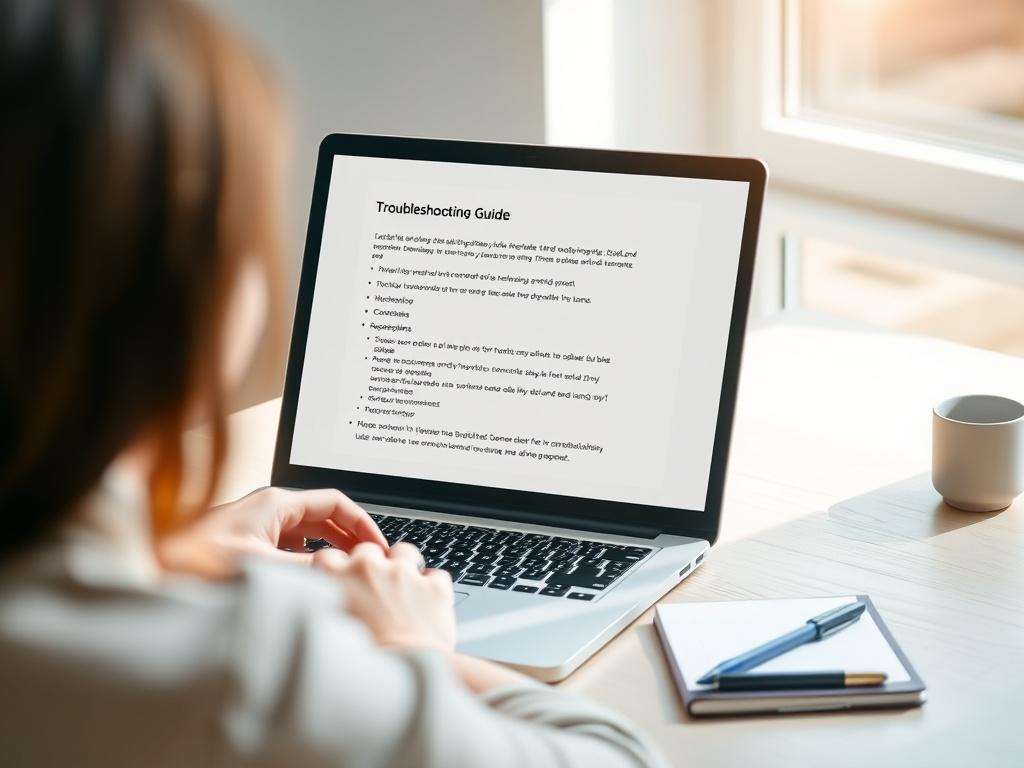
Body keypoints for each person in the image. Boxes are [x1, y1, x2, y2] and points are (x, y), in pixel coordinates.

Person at [0, 1, 666, 766]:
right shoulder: (249, 665)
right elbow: (623, 754)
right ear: (181, 285)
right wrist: (409, 649)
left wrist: (162, 546)